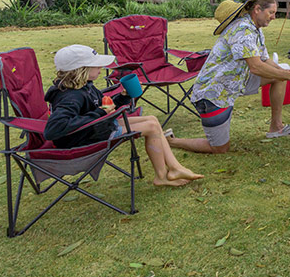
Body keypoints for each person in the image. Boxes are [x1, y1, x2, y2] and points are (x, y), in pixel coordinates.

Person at [168, 0, 290, 154]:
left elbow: (264, 59)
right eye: (271, 12)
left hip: (235, 82)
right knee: (219, 148)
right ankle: (171, 141)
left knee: (279, 76)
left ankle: (276, 128)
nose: (273, 17)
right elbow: (256, 67)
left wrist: (284, 72)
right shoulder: (242, 30)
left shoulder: (254, 28)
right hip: (213, 94)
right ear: (257, 9)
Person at [43, 44, 203, 187]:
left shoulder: (86, 86)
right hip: (86, 138)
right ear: (81, 69)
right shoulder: (71, 97)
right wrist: (99, 113)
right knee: (151, 127)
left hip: (96, 127)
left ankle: (175, 168)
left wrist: (123, 97)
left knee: (153, 120)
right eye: (97, 65)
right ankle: (162, 176)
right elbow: (54, 129)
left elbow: (103, 106)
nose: (101, 68)